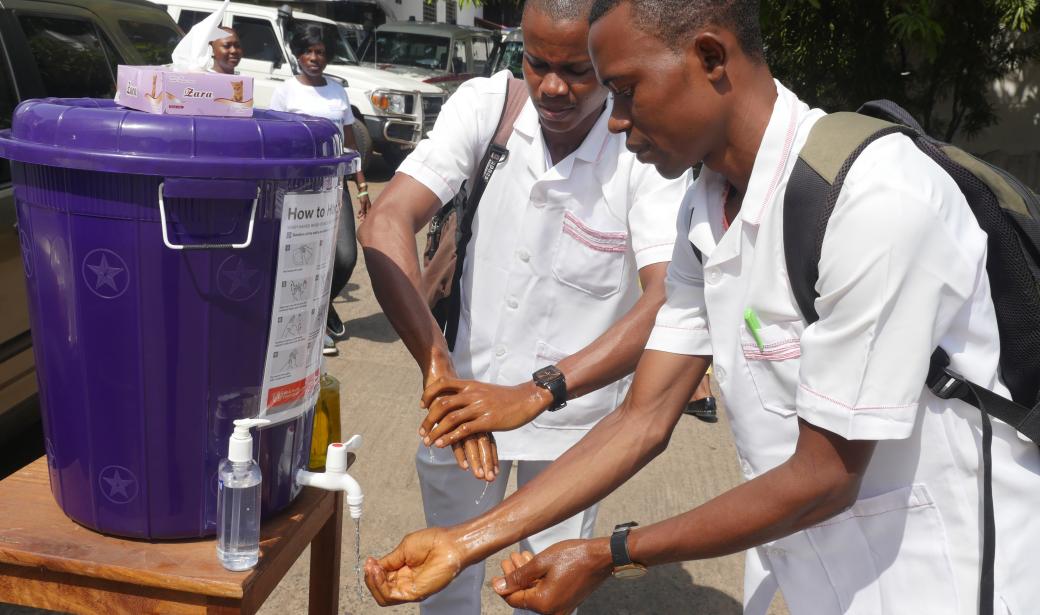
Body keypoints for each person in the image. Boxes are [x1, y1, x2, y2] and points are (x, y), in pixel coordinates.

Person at [364, 1, 1040, 614]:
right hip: (822, 576)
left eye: (626, 91)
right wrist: (462, 542)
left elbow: (825, 474)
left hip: (949, 578)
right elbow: (644, 416)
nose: (618, 121)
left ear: (711, 58)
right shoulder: (704, 207)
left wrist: (612, 552)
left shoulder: (873, 201)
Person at [356, 0, 687, 612]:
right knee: (444, 585)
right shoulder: (491, 107)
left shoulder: (640, 145)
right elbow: (386, 221)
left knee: (539, 591)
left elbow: (669, 297)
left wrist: (536, 393)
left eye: (578, 71)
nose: (553, 87)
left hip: (570, 433)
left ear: (610, 62)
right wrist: (436, 363)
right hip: (463, 417)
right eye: (537, 64)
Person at [269, 26, 371, 356]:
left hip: (334, 184)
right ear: (298, 54)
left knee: (344, 257)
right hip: (298, 189)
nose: (315, 58)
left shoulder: (337, 92)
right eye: (308, 51)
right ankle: (312, 325)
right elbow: (277, 141)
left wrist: (362, 186)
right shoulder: (285, 92)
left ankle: (324, 308)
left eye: (321, 52)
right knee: (302, 261)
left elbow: (350, 142)